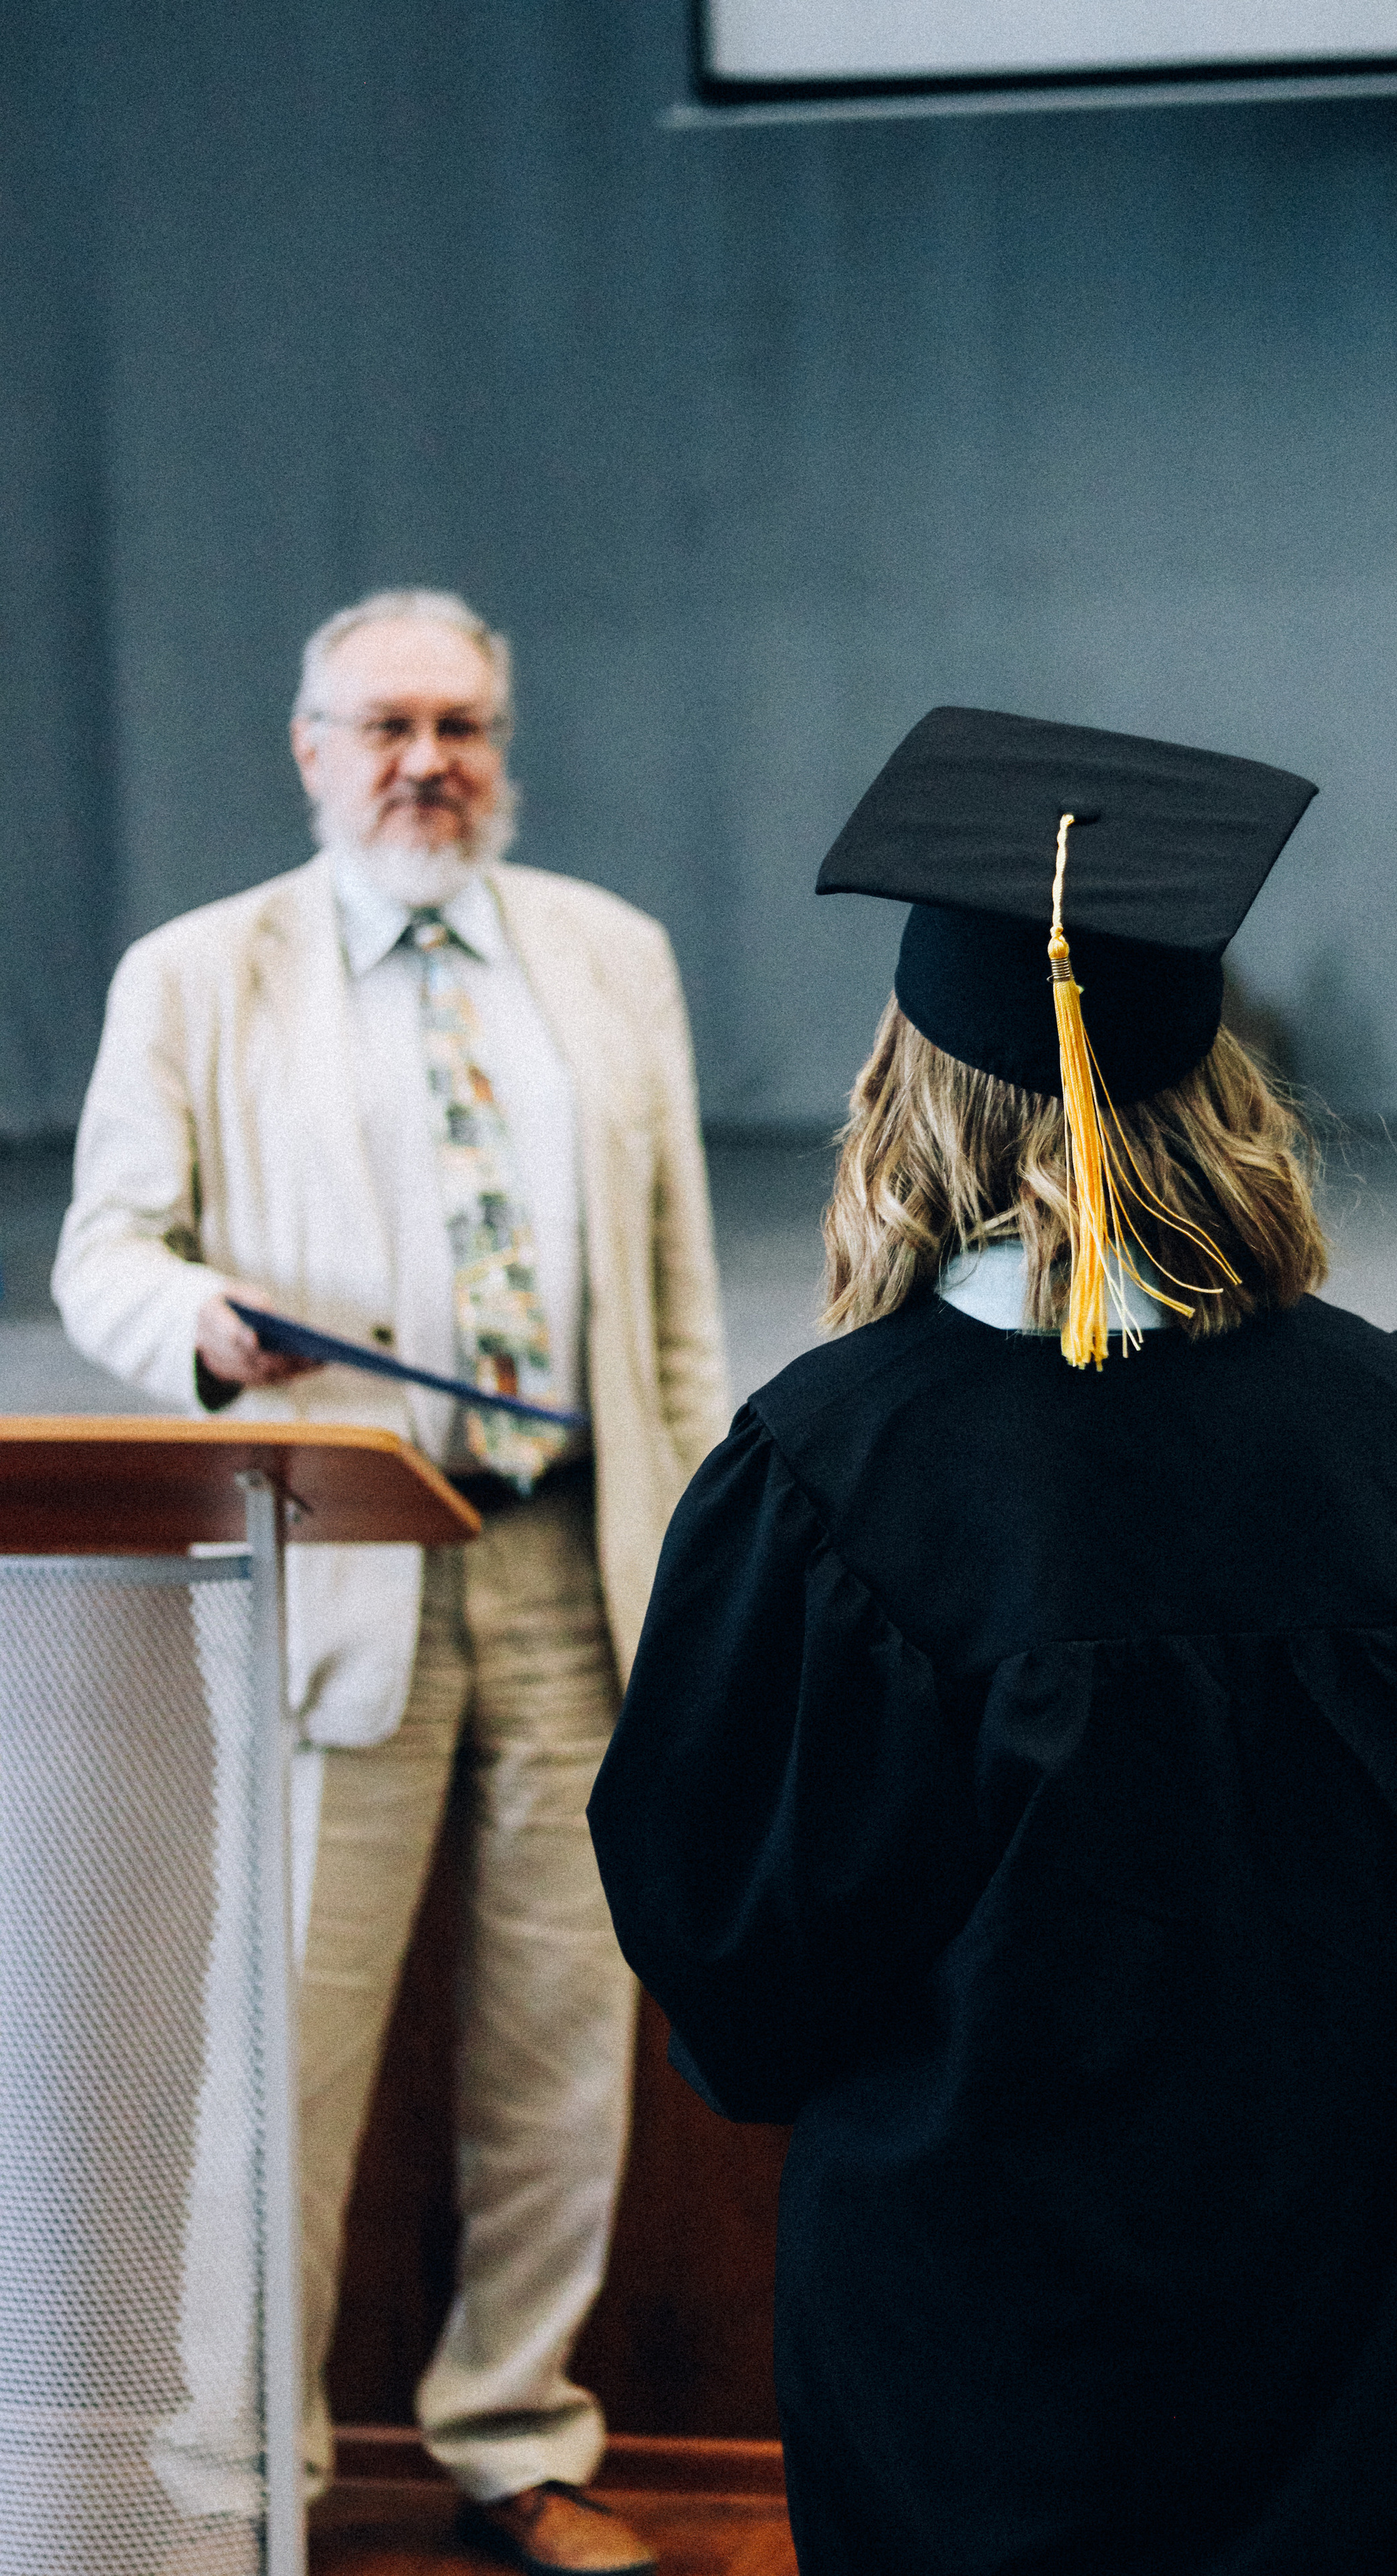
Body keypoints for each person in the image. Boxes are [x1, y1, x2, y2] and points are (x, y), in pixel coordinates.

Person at [588, 706, 1397, 2576]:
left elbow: (734, 1969)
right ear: (1218, 1080)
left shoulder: (823, 1479)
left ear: (914, 1087)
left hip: (968, 2373)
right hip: (1330, 2332)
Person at [54, 588, 729, 2576]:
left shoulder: (613, 958)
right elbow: (104, 1251)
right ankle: (231, 2490)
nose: (425, 760)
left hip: (573, 1570)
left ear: (501, 745)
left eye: (459, 724)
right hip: (327, 1569)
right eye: (383, 727)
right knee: (280, 2066)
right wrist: (199, 1321)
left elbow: (674, 1302)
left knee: (562, 2051)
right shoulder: (201, 974)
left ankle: (519, 2442)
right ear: (309, 749)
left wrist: (690, 1563)